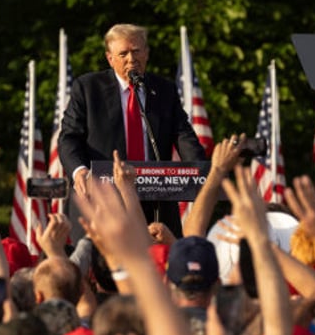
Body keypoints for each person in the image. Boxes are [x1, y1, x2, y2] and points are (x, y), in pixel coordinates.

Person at [58, 23, 207, 237]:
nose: (131, 59)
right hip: (104, 198)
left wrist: (200, 172)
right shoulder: (89, 88)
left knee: (160, 266)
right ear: (110, 58)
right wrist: (79, 171)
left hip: (155, 202)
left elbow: (183, 134)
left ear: (146, 53)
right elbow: (69, 139)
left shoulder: (163, 90)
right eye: (123, 53)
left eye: (136, 51)